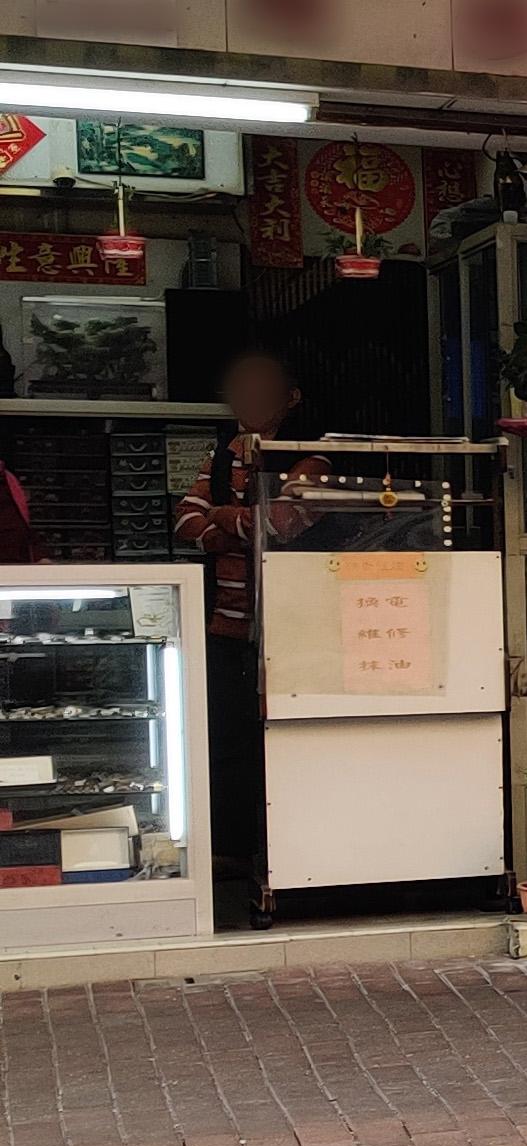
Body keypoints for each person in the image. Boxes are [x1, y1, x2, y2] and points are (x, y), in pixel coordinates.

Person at [170, 350, 318, 902]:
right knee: (228, 740)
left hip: (289, 629)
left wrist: (221, 519)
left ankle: (284, 847)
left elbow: (282, 523)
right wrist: (233, 525)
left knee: (282, 739)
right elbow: (184, 520)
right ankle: (233, 848)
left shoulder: (310, 456)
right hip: (226, 630)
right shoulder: (221, 454)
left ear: (291, 399)